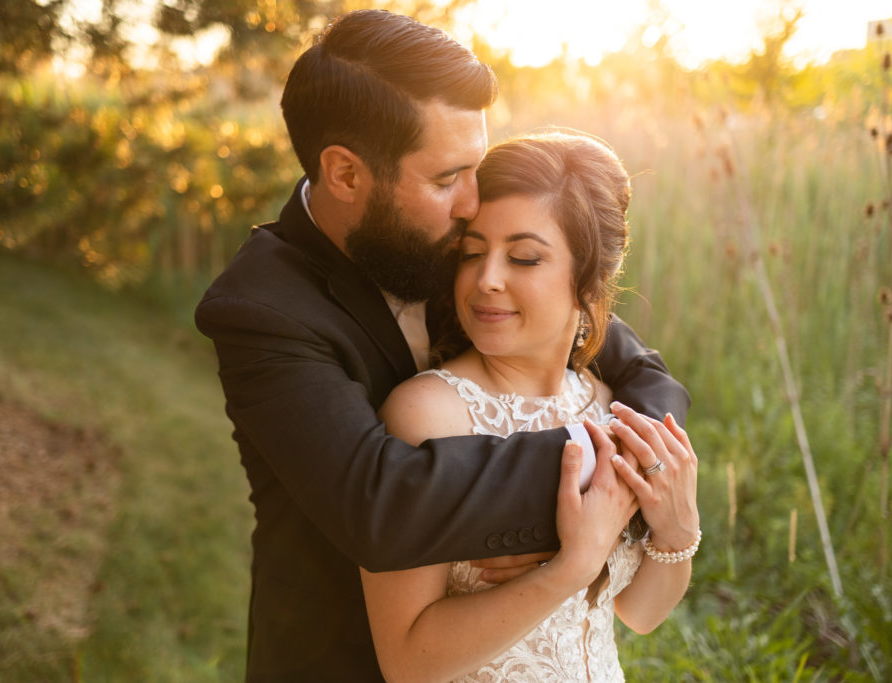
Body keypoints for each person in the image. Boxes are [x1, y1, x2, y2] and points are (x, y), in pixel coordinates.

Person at [194, 9, 690, 681]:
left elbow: (628, 362)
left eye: (474, 167)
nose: (471, 202)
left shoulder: (452, 248)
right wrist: (588, 484)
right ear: (346, 174)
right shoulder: (263, 309)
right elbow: (381, 502)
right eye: (444, 177)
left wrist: (655, 458)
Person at [362, 131, 700, 682]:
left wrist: (679, 533)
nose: (485, 279)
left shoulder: (612, 406)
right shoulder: (430, 415)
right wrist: (571, 567)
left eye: (523, 257)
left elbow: (639, 613)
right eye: (471, 253)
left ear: (589, 277)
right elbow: (407, 662)